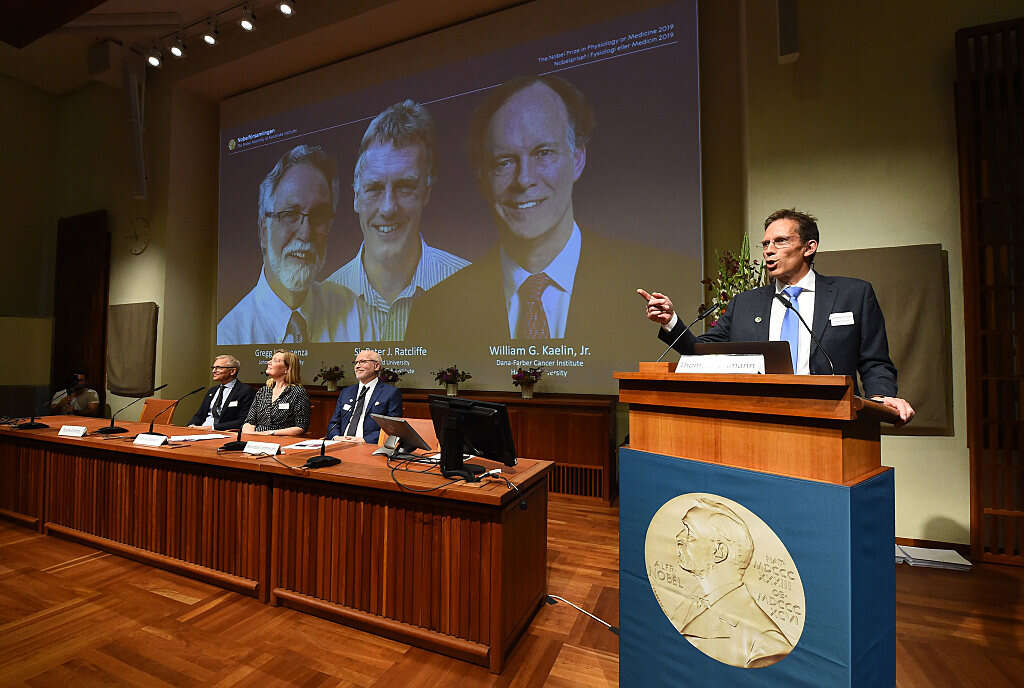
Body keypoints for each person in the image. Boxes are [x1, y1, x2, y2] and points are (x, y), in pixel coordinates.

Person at [406, 75, 695, 346]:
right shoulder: (435, 311)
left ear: (578, 159)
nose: (524, 179)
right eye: (504, 162)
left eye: (543, 153)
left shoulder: (665, 288)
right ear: (482, 176)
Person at [639, 208, 916, 422]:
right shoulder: (745, 303)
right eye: (765, 244)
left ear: (809, 247)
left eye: (780, 241)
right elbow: (701, 352)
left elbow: (874, 360)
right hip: (761, 421)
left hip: (833, 420)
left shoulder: (853, 295)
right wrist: (671, 321)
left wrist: (881, 398)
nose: (769, 250)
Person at [326, 101, 469, 340]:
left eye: (405, 187)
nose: (388, 208)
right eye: (374, 188)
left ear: (426, 193)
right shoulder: (320, 303)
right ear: (356, 197)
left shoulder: (473, 287)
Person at [218, 144, 359, 344]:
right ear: (264, 230)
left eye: (319, 216)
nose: (305, 233)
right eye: (290, 214)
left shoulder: (355, 315)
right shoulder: (229, 337)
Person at [670, 498, 793, 669]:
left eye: (689, 533)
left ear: (719, 551)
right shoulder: (685, 609)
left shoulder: (766, 645)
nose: (679, 537)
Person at [325, 349, 402, 443]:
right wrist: (336, 437)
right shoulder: (346, 392)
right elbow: (334, 423)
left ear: (376, 366)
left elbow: (392, 428)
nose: (357, 366)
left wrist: (364, 440)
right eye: (356, 363)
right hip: (341, 442)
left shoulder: (390, 393)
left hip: (368, 445)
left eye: (363, 362)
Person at [242, 350, 310, 436]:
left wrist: (271, 433)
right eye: (271, 359)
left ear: (287, 369)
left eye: (275, 360)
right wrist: (252, 434)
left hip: (281, 439)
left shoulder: (297, 392)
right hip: (256, 438)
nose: (269, 362)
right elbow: (249, 421)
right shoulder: (263, 391)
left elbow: (301, 427)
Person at [187, 354, 256, 431]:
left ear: (232, 371)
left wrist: (212, 428)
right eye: (213, 368)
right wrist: (191, 426)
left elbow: (243, 420)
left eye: (218, 368)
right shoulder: (212, 391)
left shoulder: (245, 391)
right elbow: (199, 415)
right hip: (200, 431)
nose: (214, 371)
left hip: (223, 432)